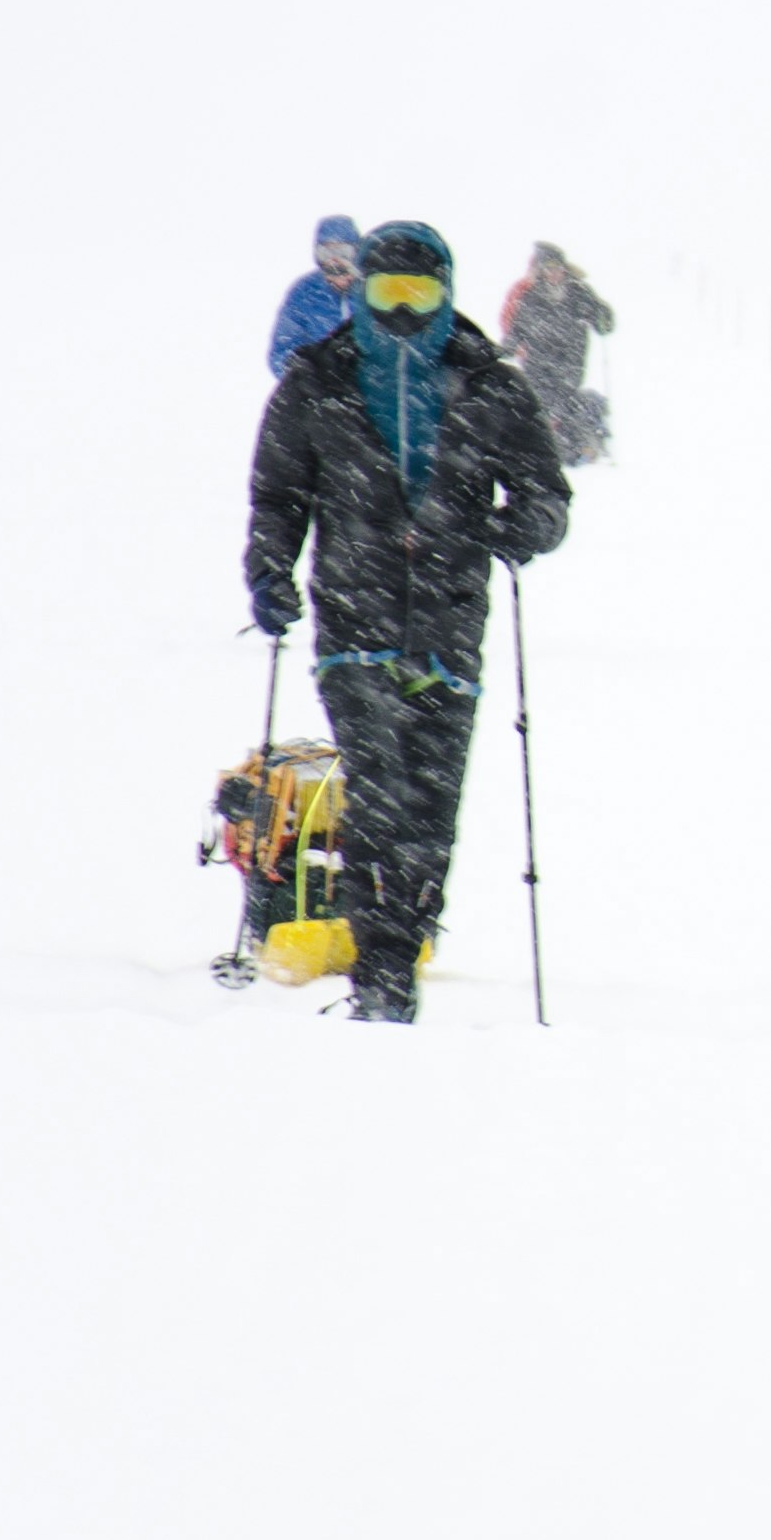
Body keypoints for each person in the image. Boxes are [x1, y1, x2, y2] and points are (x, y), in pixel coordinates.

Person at [243, 221, 571, 1023]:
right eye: (386, 293)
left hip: (447, 627)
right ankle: (379, 976)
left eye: (417, 296)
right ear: (361, 295)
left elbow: (545, 494)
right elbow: (278, 493)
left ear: (445, 294)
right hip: (354, 624)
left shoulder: (489, 382)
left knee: (431, 808)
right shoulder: (318, 382)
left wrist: (513, 528)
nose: (400, 312)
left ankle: (402, 942)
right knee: (381, 792)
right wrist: (269, 572)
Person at [493, 240, 617, 465]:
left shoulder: (578, 292)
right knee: (540, 408)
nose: (554, 272)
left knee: (564, 406)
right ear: (540, 269)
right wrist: (503, 350)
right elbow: (517, 330)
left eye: (557, 266)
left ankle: (574, 448)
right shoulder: (530, 297)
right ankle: (549, 451)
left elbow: (602, 322)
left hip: (570, 364)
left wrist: (603, 317)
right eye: (548, 267)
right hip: (537, 366)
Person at [266, 216, 363, 377]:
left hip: (368, 389)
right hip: (323, 390)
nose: (334, 261)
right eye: (326, 253)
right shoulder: (306, 292)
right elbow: (282, 351)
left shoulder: (371, 289)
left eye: (343, 253)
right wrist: (307, 373)